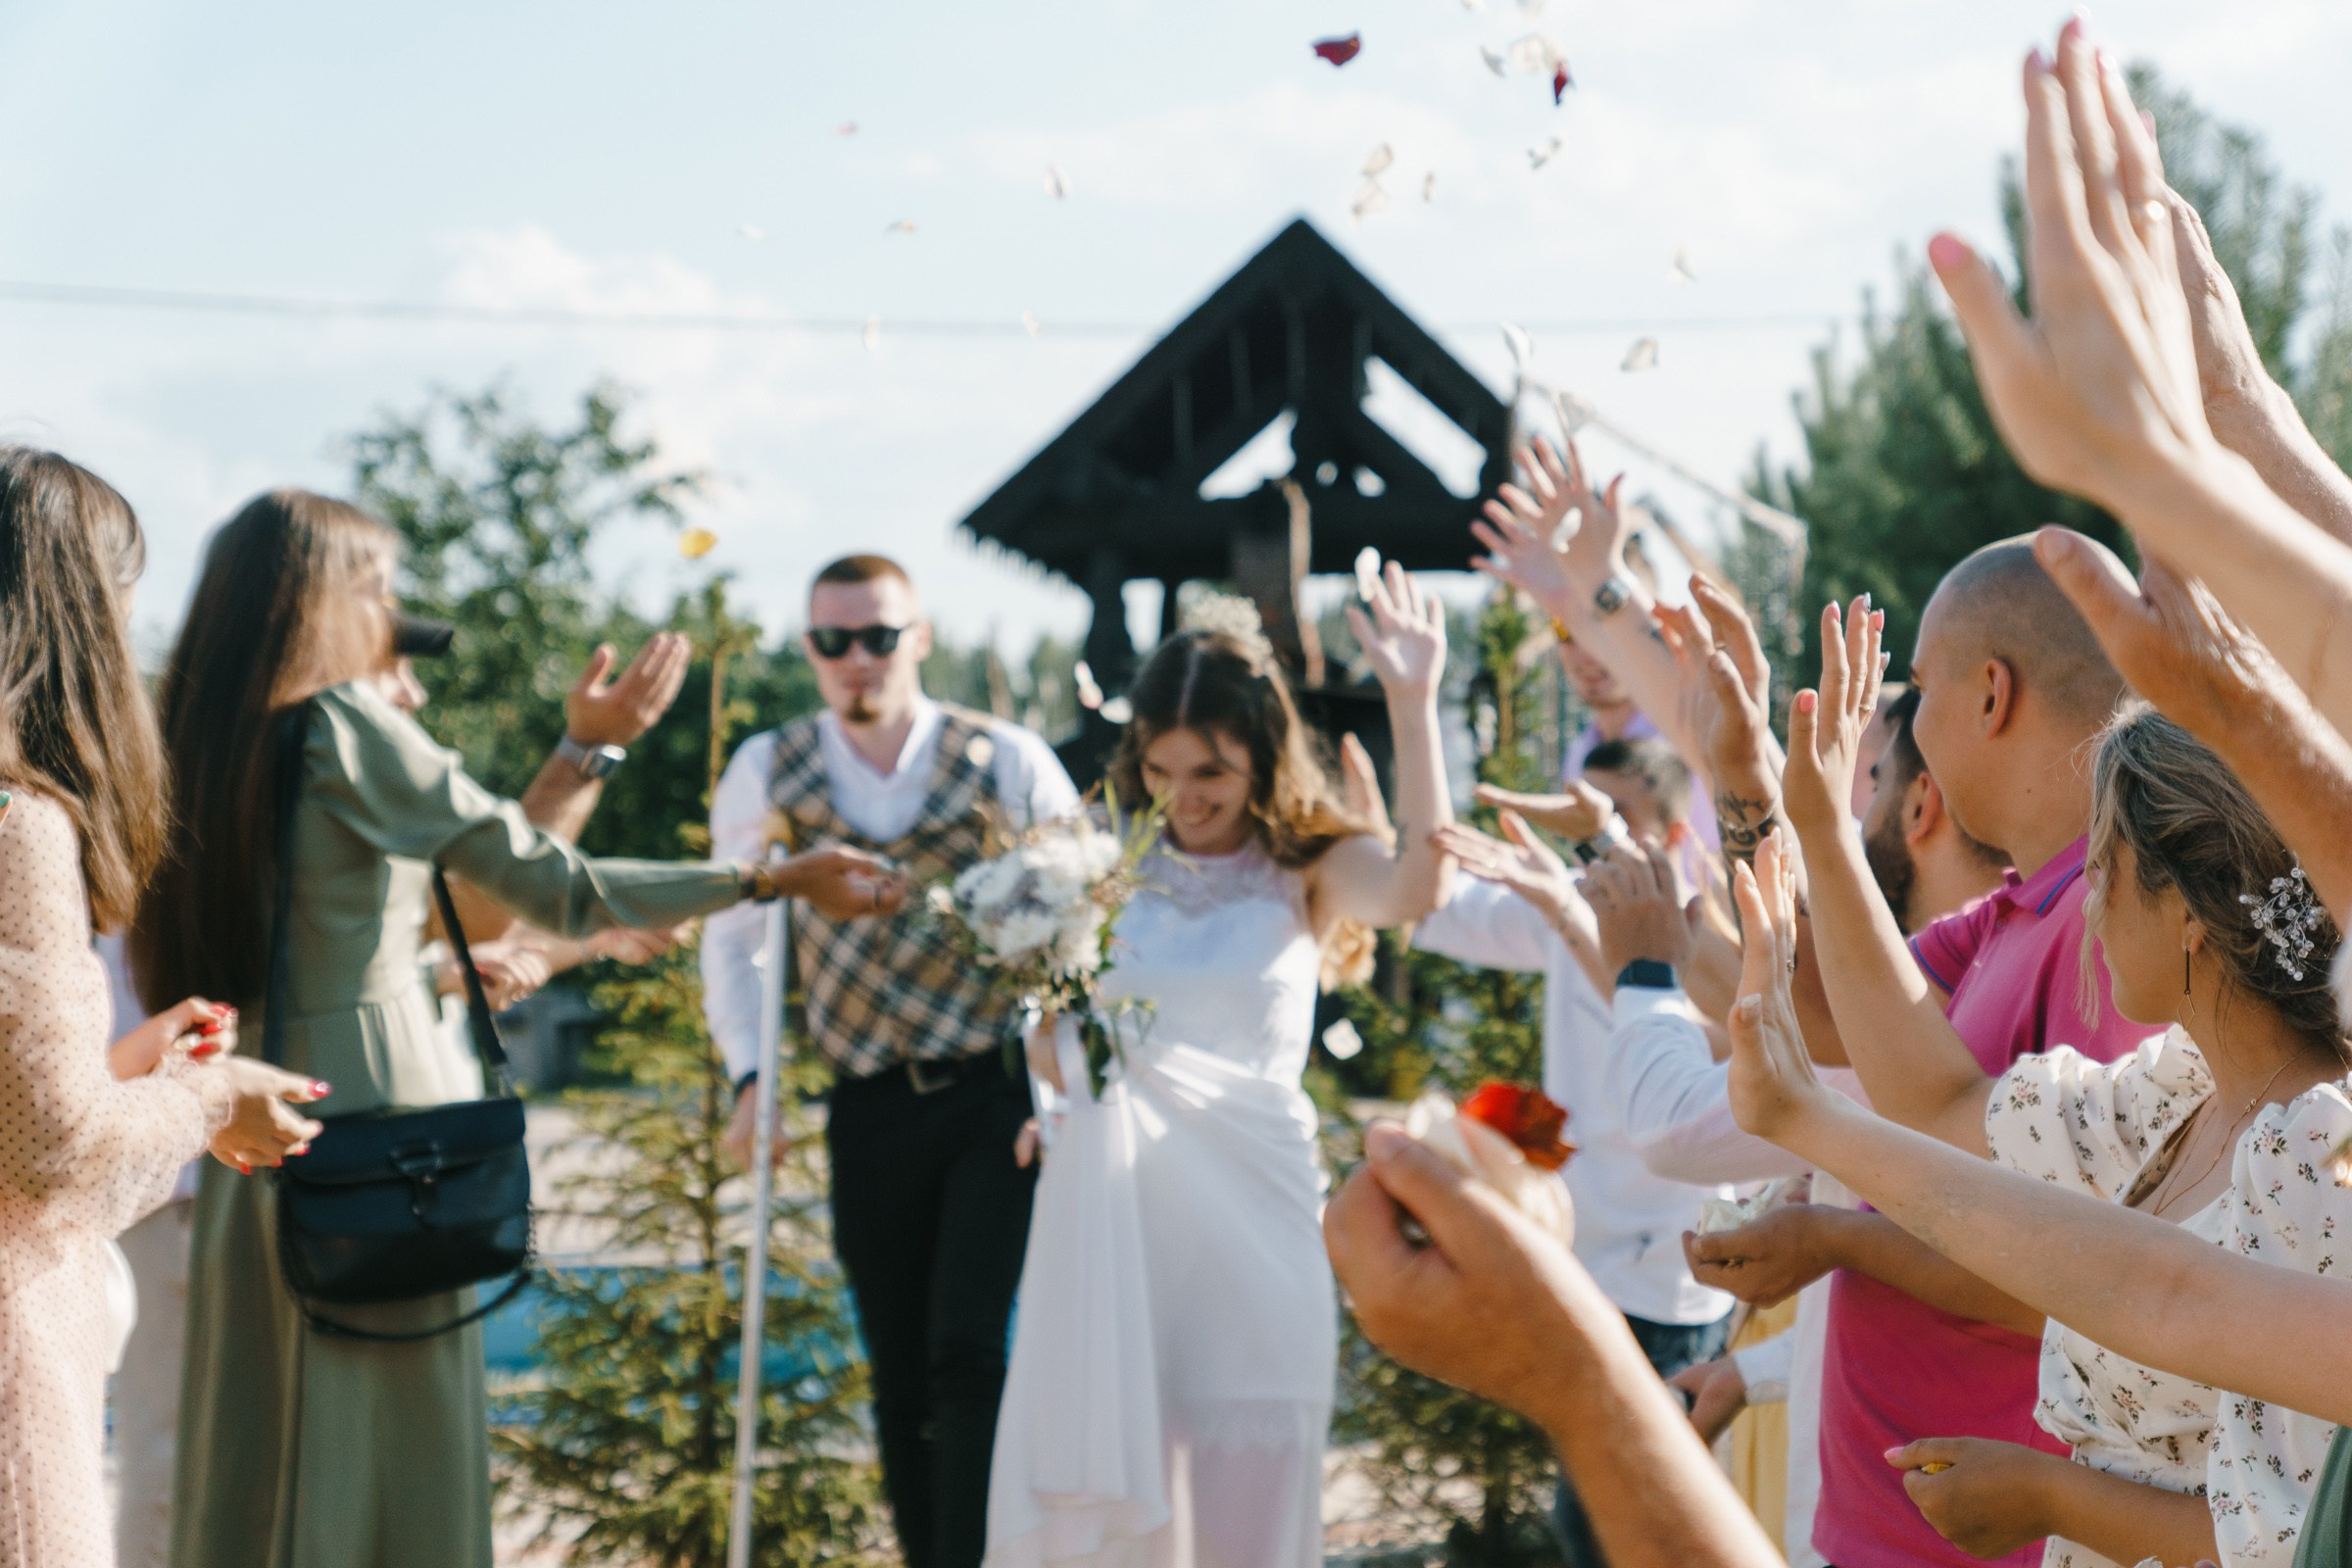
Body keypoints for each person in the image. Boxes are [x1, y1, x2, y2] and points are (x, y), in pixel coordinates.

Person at [138, 490, 895, 1568]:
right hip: (374, 1124)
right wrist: (770, 876)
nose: (394, 613)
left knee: (262, 1437)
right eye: (379, 589)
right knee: (390, 1441)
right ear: (324, 603)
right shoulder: (343, 729)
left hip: (247, 1118)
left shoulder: (200, 739)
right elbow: (556, 887)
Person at [984, 569, 1452, 1568]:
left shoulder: (1312, 863)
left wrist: (1414, 704)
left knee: (1255, 1497)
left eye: (1213, 773)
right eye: (1162, 769)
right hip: (1121, 1229)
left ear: (1263, 759)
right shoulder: (1093, 860)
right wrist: (1055, 1081)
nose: (1184, 798)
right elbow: (1041, 1023)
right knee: (1130, 1509)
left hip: (1261, 1230)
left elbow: (1418, 885)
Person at [701, 553, 1080, 1568]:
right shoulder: (768, 767)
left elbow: (1076, 922)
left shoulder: (1002, 758)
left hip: (989, 1094)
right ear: (812, 650)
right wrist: (752, 1075)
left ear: (919, 637)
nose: (856, 660)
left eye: (878, 636)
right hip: (867, 1101)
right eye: (833, 641)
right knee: (901, 1371)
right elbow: (732, 938)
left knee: (970, 1351)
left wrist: (1063, 1078)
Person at [0, 448, 322, 1567]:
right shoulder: (16, 825)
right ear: (80, 609)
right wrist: (211, 1093)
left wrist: (121, 1061)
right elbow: (56, 1149)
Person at [1421, 807, 1734, 1567]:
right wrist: (1564, 904)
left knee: (1632, 1524)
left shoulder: (1701, 947)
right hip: (1596, 1262)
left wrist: (1592, 862)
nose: (1601, 867)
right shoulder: (1600, 923)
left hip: (1669, 1279)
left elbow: (1687, 1065)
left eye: (1628, 837)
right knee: (1589, 1518)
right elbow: (1432, 903)